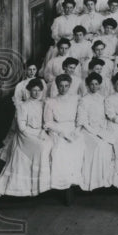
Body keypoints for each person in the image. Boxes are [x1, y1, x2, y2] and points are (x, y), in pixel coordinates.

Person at [0, 78, 52, 197]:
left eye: (39, 91)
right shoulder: (23, 106)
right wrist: (34, 137)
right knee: (41, 147)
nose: (36, 93)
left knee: (50, 144)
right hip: (25, 135)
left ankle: (42, 184)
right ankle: (29, 186)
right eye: (34, 90)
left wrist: (41, 133)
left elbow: (45, 122)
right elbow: (21, 127)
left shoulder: (43, 104)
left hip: (39, 132)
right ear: (29, 91)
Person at [43, 74, 85, 202]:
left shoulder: (76, 99)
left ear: (70, 86)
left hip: (73, 128)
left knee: (78, 146)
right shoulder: (51, 101)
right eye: (61, 86)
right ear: (56, 86)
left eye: (66, 86)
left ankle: (74, 184)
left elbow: (80, 117)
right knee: (60, 149)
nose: (63, 88)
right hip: (58, 129)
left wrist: (76, 131)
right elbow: (48, 122)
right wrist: (62, 133)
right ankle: (64, 186)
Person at [76, 73, 116, 191]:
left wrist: (104, 130)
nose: (94, 86)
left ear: (99, 85)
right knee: (99, 145)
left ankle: (105, 181)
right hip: (88, 131)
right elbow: (82, 121)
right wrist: (94, 132)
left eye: (96, 84)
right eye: (91, 84)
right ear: (88, 86)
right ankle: (94, 182)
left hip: (101, 129)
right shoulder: (84, 100)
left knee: (110, 144)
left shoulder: (103, 99)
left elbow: (107, 116)